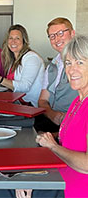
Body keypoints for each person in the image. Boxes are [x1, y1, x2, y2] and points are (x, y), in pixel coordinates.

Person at [36, 35, 88, 197]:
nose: (72, 70)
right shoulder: (77, 102)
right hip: (57, 177)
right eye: (68, 63)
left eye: (80, 62)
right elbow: (73, 138)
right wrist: (50, 137)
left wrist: (53, 146)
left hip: (73, 189)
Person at [34, 17, 78, 133]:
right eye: (52, 36)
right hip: (49, 119)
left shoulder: (82, 64)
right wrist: (52, 114)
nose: (56, 39)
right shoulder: (51, 66)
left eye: (60, 33)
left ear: (73, 34)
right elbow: (42, 100)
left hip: (74, 124)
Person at [0, 24, 45, 107]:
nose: (13, 42)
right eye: (11, 38)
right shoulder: (13, 59)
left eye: (17, 38)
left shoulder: (32, 58)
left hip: (30, 107)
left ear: (24, 41)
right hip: (17, 103)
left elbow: (24, 87)